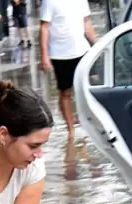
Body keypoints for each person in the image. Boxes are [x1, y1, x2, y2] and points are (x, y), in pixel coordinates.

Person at [39, 0, 98, 141]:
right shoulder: (50, 2)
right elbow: (44, 28)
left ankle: (84, 121)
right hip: (60, 54)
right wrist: (44, 56)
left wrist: (97, 44)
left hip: (82, 50)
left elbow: (87, 22)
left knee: (88, 87)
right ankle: (71, 129)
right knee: (65, 92)